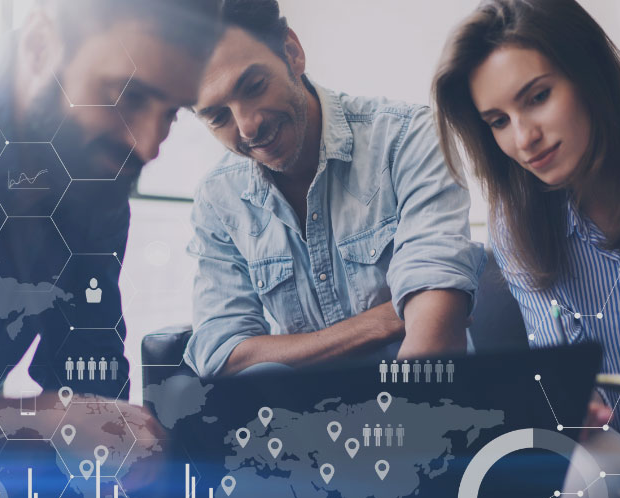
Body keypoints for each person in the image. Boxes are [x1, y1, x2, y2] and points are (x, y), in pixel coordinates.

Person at [432, 0, 620, 497]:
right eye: (498, 121)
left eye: (538, 96)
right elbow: (561, 379)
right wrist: (569, 407)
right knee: (580, 470)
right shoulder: (514, 224)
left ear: (591, 75)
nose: (524, 138)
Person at [185, 0, 484, 378]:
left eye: (255, 87)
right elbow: (223, 356)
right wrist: (385, 320)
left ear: (292, 52)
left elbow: (436, 335)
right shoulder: (217, 199)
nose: (247, 126)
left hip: (427, 413)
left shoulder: (408, 138)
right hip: (297, 428)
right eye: (217, 116)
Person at [0, 0, 221, 399]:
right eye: (126, 96)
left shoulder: (94, 190)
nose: (148, 146)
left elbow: (88, 359)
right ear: (40, 45)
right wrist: (32, 423)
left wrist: (115, 429)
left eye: (171, 114)